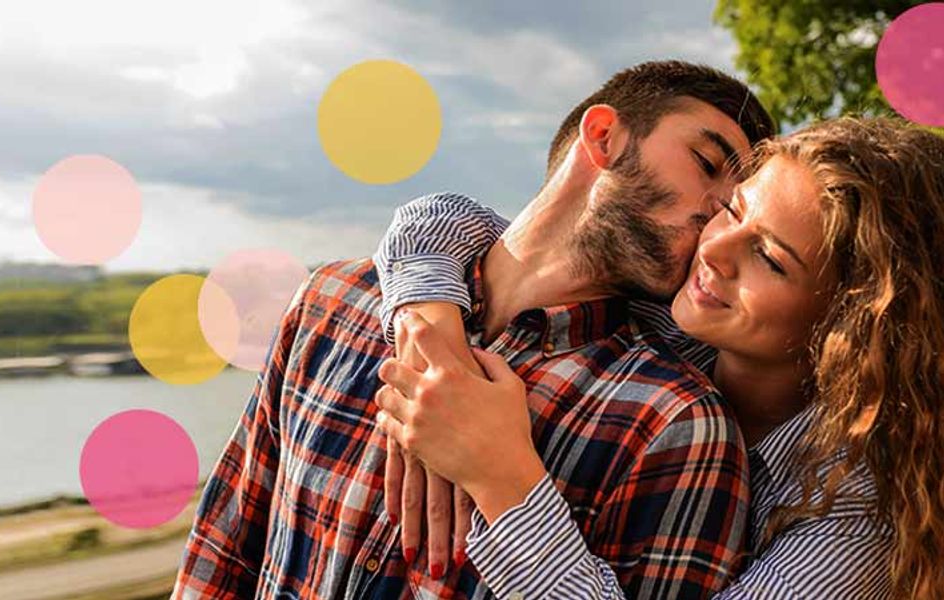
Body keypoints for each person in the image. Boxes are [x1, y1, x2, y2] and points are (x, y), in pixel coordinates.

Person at [172, 60, 774, 599]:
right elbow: (224, 551)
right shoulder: (329, 302)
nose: (720, 212)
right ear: (603, 137)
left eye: (737, 200)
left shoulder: (678, 426)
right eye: (708, 163)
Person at [372, 117, 944, 598]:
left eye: (769, 259)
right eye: (734, 210)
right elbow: (445, 224)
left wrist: (503, 478)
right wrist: (434, 344)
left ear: (855, 321)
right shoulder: (671, 320)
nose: (713, 250)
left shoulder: (857, 516)